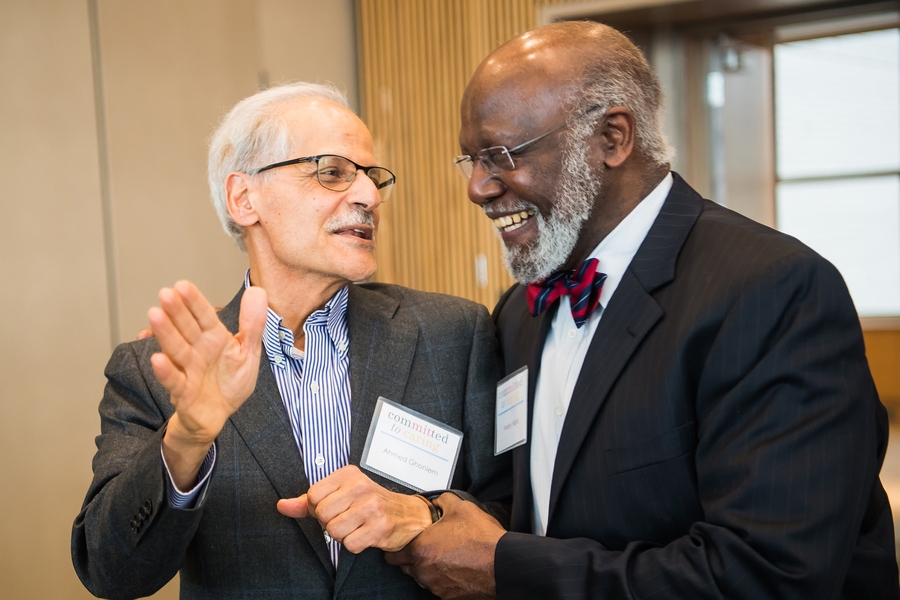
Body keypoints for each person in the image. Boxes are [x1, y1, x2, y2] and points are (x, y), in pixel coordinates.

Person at [386, 21, 900, 599]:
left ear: (612, 138)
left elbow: (770, 577)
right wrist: (421, 516)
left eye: (500, 155)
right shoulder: (520, 312)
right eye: (471, 161)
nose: (478, 188)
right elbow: (528, 503)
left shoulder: (772, 291)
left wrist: (510, 570)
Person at [71, 82, 511, 600]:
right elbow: (111, 573)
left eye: (372, 177)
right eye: (332, 172)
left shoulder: (452, 333)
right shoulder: (155, 369)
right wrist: (186, 439)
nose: (369, 196)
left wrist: (424, 513)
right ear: (245, 198)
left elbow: (514, 514)